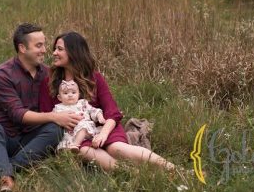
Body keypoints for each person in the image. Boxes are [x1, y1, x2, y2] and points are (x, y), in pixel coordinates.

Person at [39, 31, 175, 171]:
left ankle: (174, 170)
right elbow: (47, 115)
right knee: (84, 151)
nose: (54, 53)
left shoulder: (94, 78)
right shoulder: (49, 82)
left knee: (115, 148)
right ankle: (135, 174)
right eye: (55, 49)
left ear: (74, 52)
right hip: (75, 135)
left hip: (103, 127)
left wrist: (103, 134)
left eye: (59, 49)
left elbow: (112, 112)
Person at [0, 24, 82, 192]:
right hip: (3, 137)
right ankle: (6, 181)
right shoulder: (2, 75)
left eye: (44, 44)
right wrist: (55, 116)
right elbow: (18, 114)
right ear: (22, 48)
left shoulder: (47, 74)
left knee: (55, 129)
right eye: (38, 45)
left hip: (28, 139)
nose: (45, 50)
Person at [53, 79, 105, 152]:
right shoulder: (58, 108)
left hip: (85, 130)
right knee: (64, 138)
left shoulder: (82, 103)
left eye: (73, 92)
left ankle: (75, 145)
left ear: (78, 95)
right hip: (70, 131)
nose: (70, 95)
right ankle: (67, 152)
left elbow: (93, 110)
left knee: (83, 126)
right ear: (59, 97)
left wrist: (100, 117)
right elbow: (54, 118)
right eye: (65, 93)